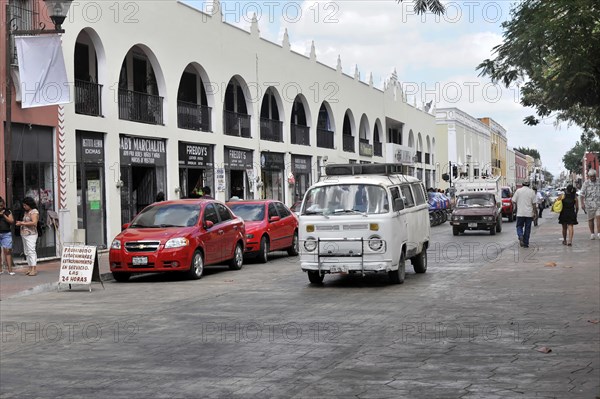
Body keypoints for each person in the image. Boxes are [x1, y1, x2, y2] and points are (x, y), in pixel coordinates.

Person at [15, 197, 39, 276]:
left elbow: (34, 223)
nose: (24, 207)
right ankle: (30, 268)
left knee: (31, 251)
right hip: (24, 234)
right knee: (27, 252)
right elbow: (26, 221)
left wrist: (22, 223)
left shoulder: (34, 212)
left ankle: (34, 269)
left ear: (29, 205)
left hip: (31, 234)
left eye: (25, 205)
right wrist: (21, 222)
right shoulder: (26, 212)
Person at [512, 181, 537, 248]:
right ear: (529, 185)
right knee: (527, 228)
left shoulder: (518, 191)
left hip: (520, 213)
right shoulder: (532, 192)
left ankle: (520, 236)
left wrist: (515, 208)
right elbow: (534, 204)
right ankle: (526, 243)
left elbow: (513, 201)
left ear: (522, 184)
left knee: (519, 226)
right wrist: (534, 212)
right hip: (529, 213)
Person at [580, 169, 600, 240]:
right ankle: (592, 233)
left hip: (598, 204)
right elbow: (581, 194)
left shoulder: (599, 181)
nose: (592, 178)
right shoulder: (586, 183)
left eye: (593, 176)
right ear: (589, 176)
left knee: (599, 217)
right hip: (589, 204)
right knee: (590, 219)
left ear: (595, 175)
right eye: (591, 176)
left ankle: (599, 233)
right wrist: (582, 203)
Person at [0, 197, 15, 275]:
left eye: (2, 205)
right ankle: (0, 269)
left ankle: (10, 270)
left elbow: (11, 221)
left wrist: (4, 216)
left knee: (8, 251)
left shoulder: (7, 211)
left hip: (6, 233)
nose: (1, 207)